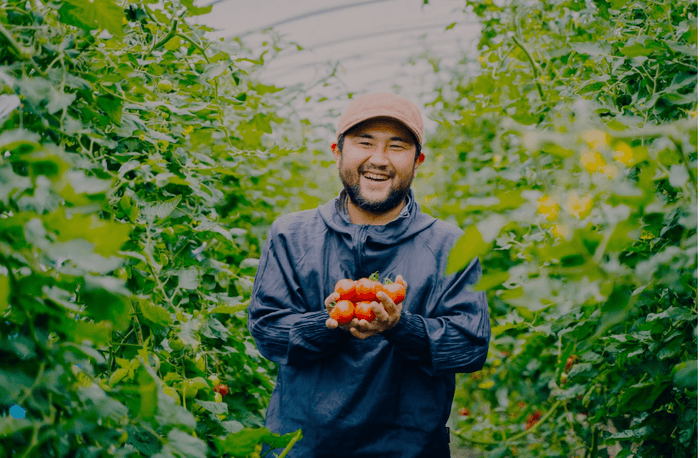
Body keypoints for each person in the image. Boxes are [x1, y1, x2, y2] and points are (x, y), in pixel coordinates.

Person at [247, 92, 490, 458]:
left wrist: (400, 327)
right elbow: (267, 330)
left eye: (397, 146)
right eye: (364, 143)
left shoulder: (449, 245)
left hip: (408, 449)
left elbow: (470, 346)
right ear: (337, 151)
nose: (379, 159)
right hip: (302, 448)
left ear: (418, 160)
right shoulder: (291, 235)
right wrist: (330, 322)